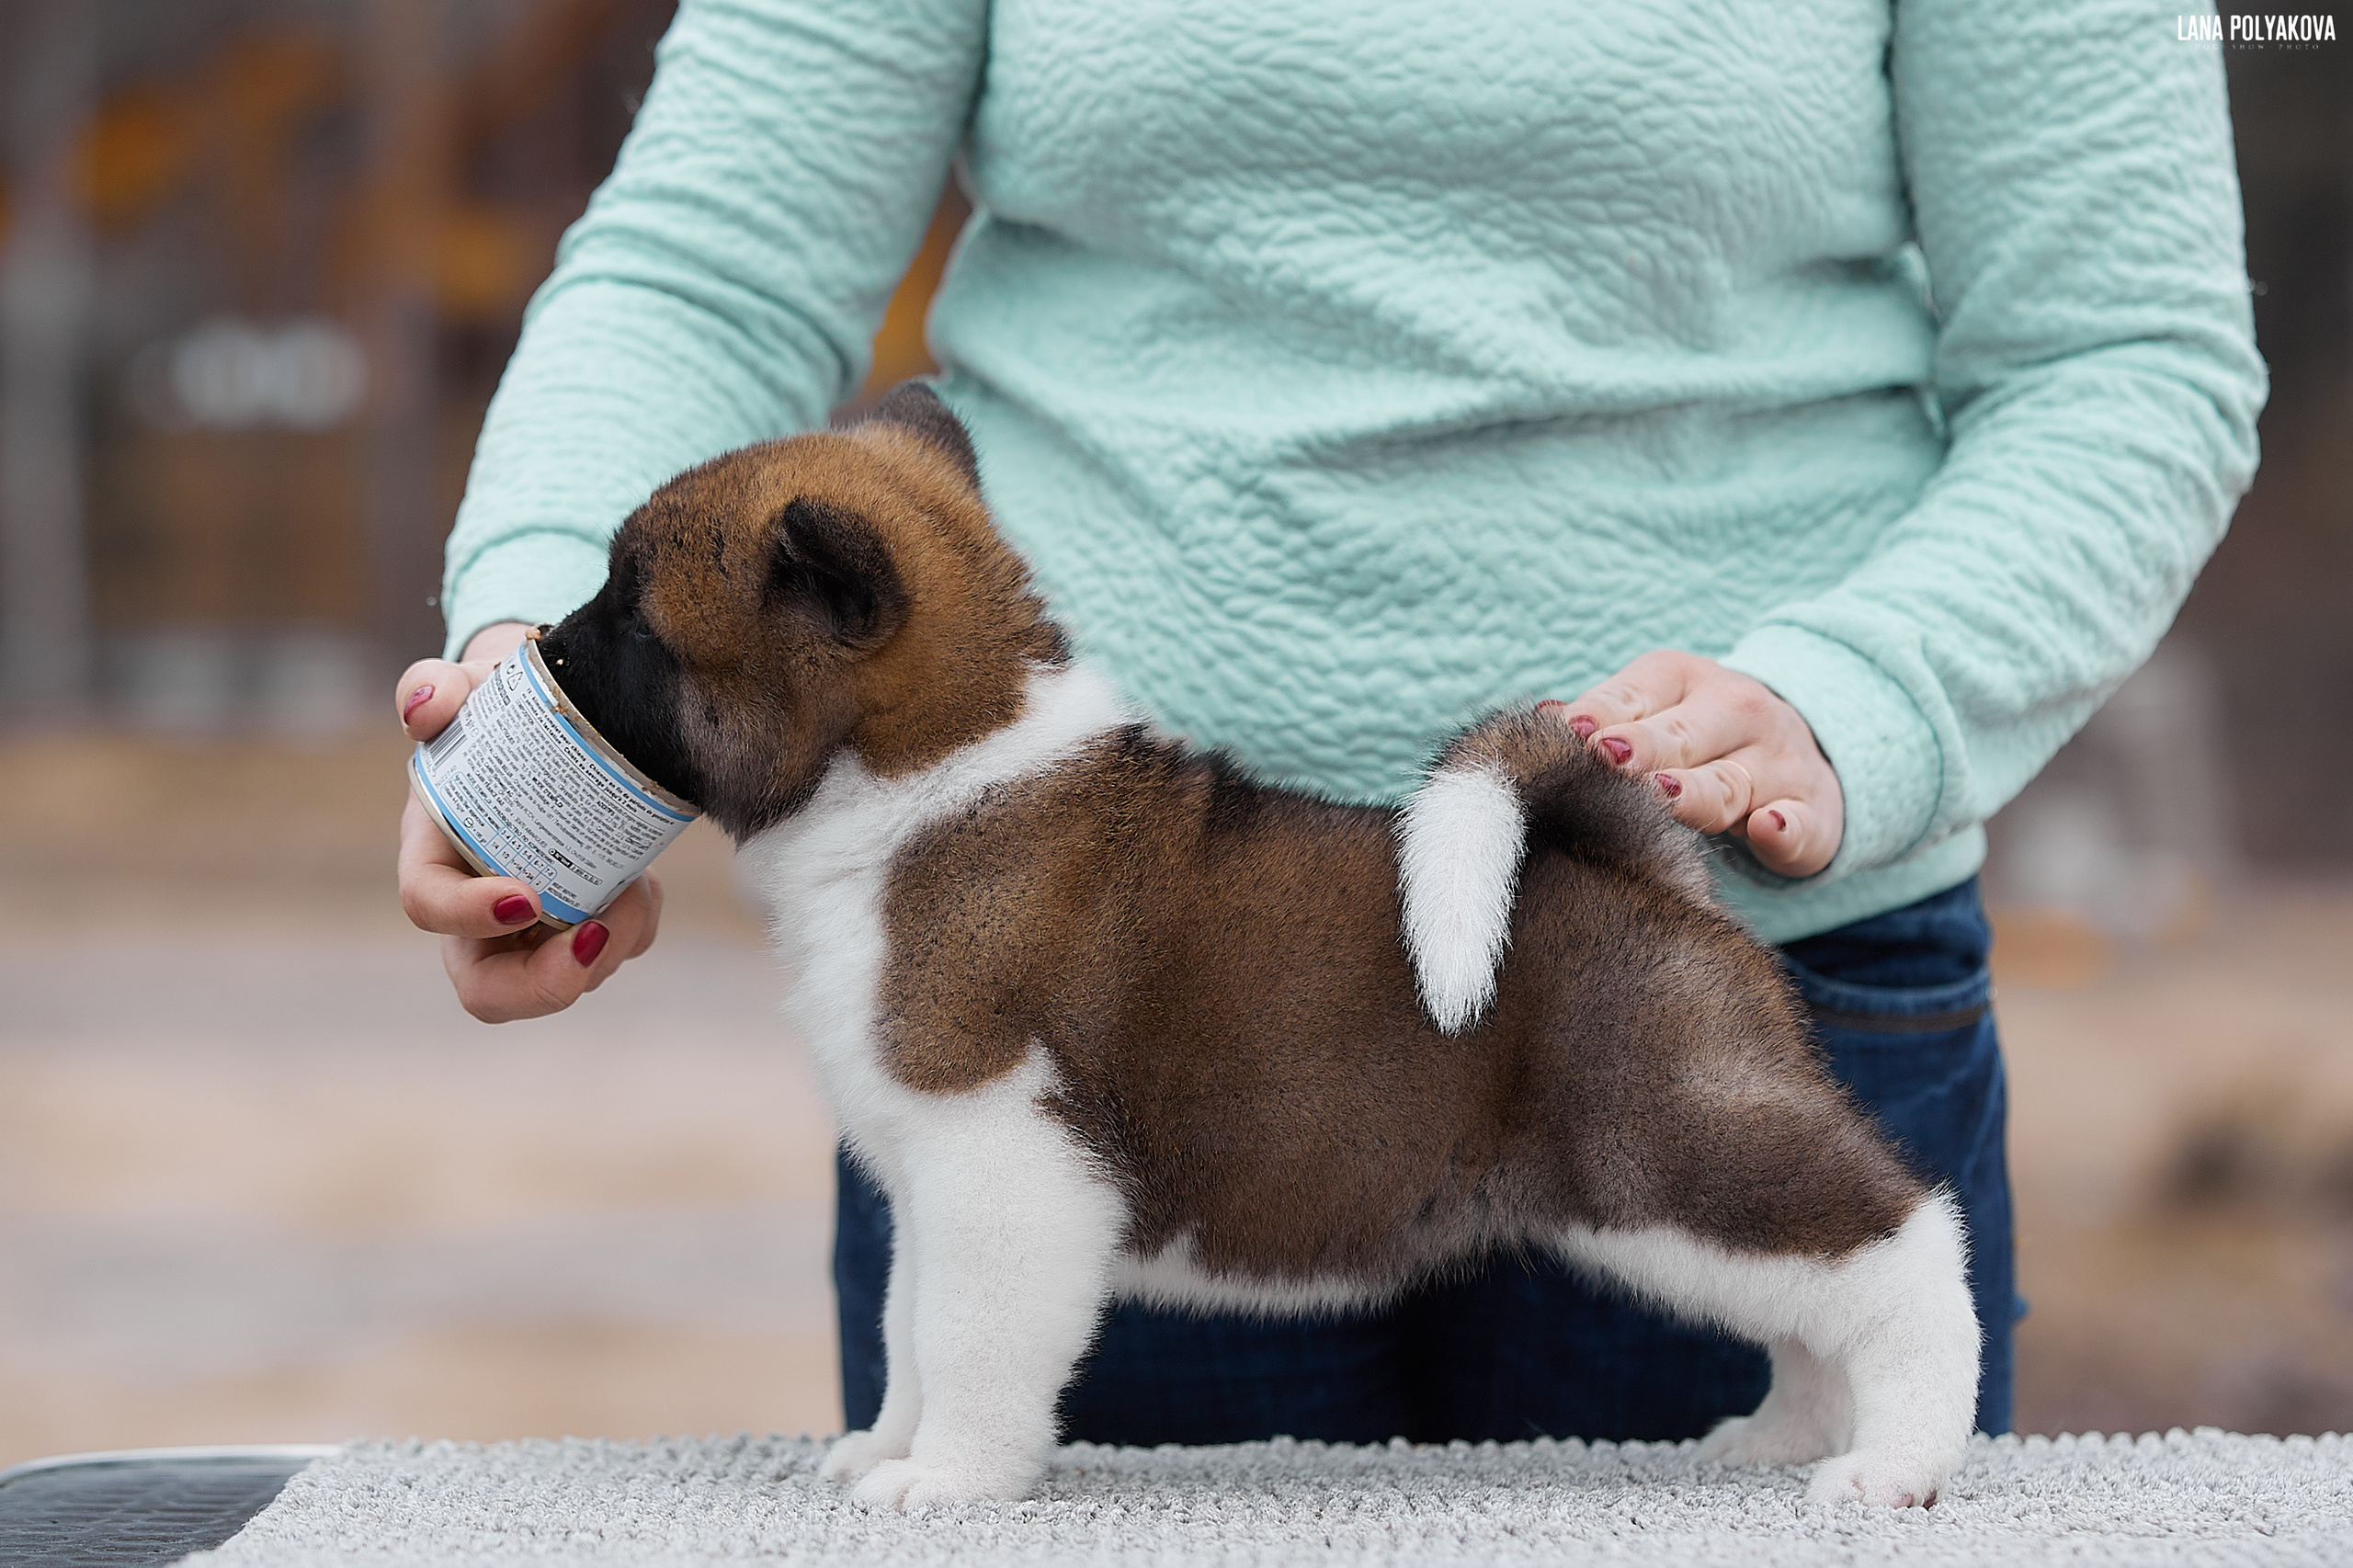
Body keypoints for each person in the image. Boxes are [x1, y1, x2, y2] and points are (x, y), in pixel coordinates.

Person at [394, 0, 2265, 1445]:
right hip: (1067, 987)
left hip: (1709, 955)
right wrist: (531, 727)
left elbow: (2124, 356)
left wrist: (1863, 701)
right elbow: (708, 268)